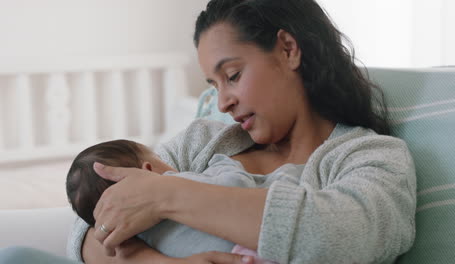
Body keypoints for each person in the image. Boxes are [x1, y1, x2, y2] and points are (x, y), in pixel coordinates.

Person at [0, 0, 417, 263]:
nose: (222, 103)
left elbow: (343, 239)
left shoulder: (370, 156)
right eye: (213, 86)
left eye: (232, 75)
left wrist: (166, 194)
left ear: (288, 50)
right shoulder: (205, 140)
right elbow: (90, 224)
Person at [66, 139, 278, 263]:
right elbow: (236, 185)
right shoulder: (171, 181)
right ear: (148, 169)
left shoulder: (133, 234)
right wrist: (224, 165)